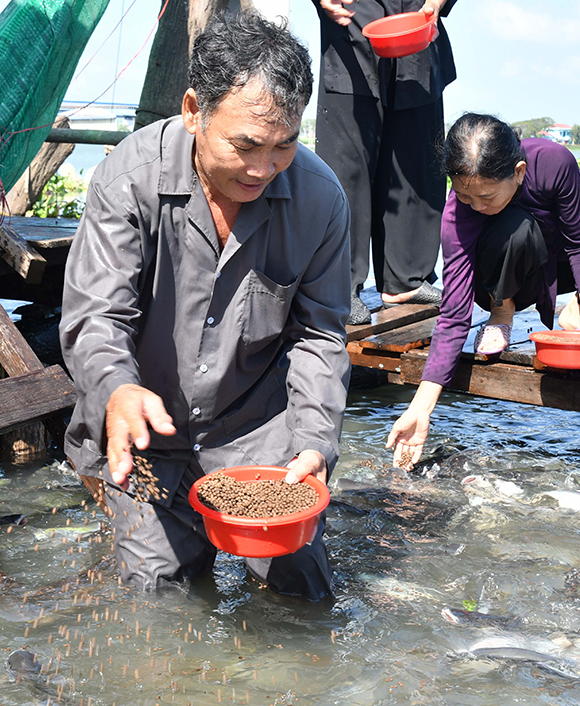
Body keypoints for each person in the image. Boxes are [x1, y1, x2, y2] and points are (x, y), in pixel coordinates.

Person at [60, 11, 351, 601]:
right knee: (160, 598)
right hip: (147, 430)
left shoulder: (321, 200)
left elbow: (319, 336)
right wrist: (117, 387)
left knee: (303, 589)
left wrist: (316, 443)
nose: (262, 169)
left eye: (284, 147)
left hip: (256, 432)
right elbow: (96, 315)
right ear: (194, 110)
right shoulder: (128, 180)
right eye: (245, 145)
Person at [386, 112, 580, 468]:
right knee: (513, 223)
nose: (476, 206)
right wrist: (420, 408)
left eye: (486, 196)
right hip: (505, 275)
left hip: (558, 260)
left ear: (518, 171)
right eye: (465, 196)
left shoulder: (554, 162)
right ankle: (501, 309)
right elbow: (454, 314)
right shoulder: (458, 214)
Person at [314, 0, 458, 325]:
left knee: (417, 154)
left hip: (417, 23)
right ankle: (337, 286)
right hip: (351, 21)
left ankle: (406, 278)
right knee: (347, 165)